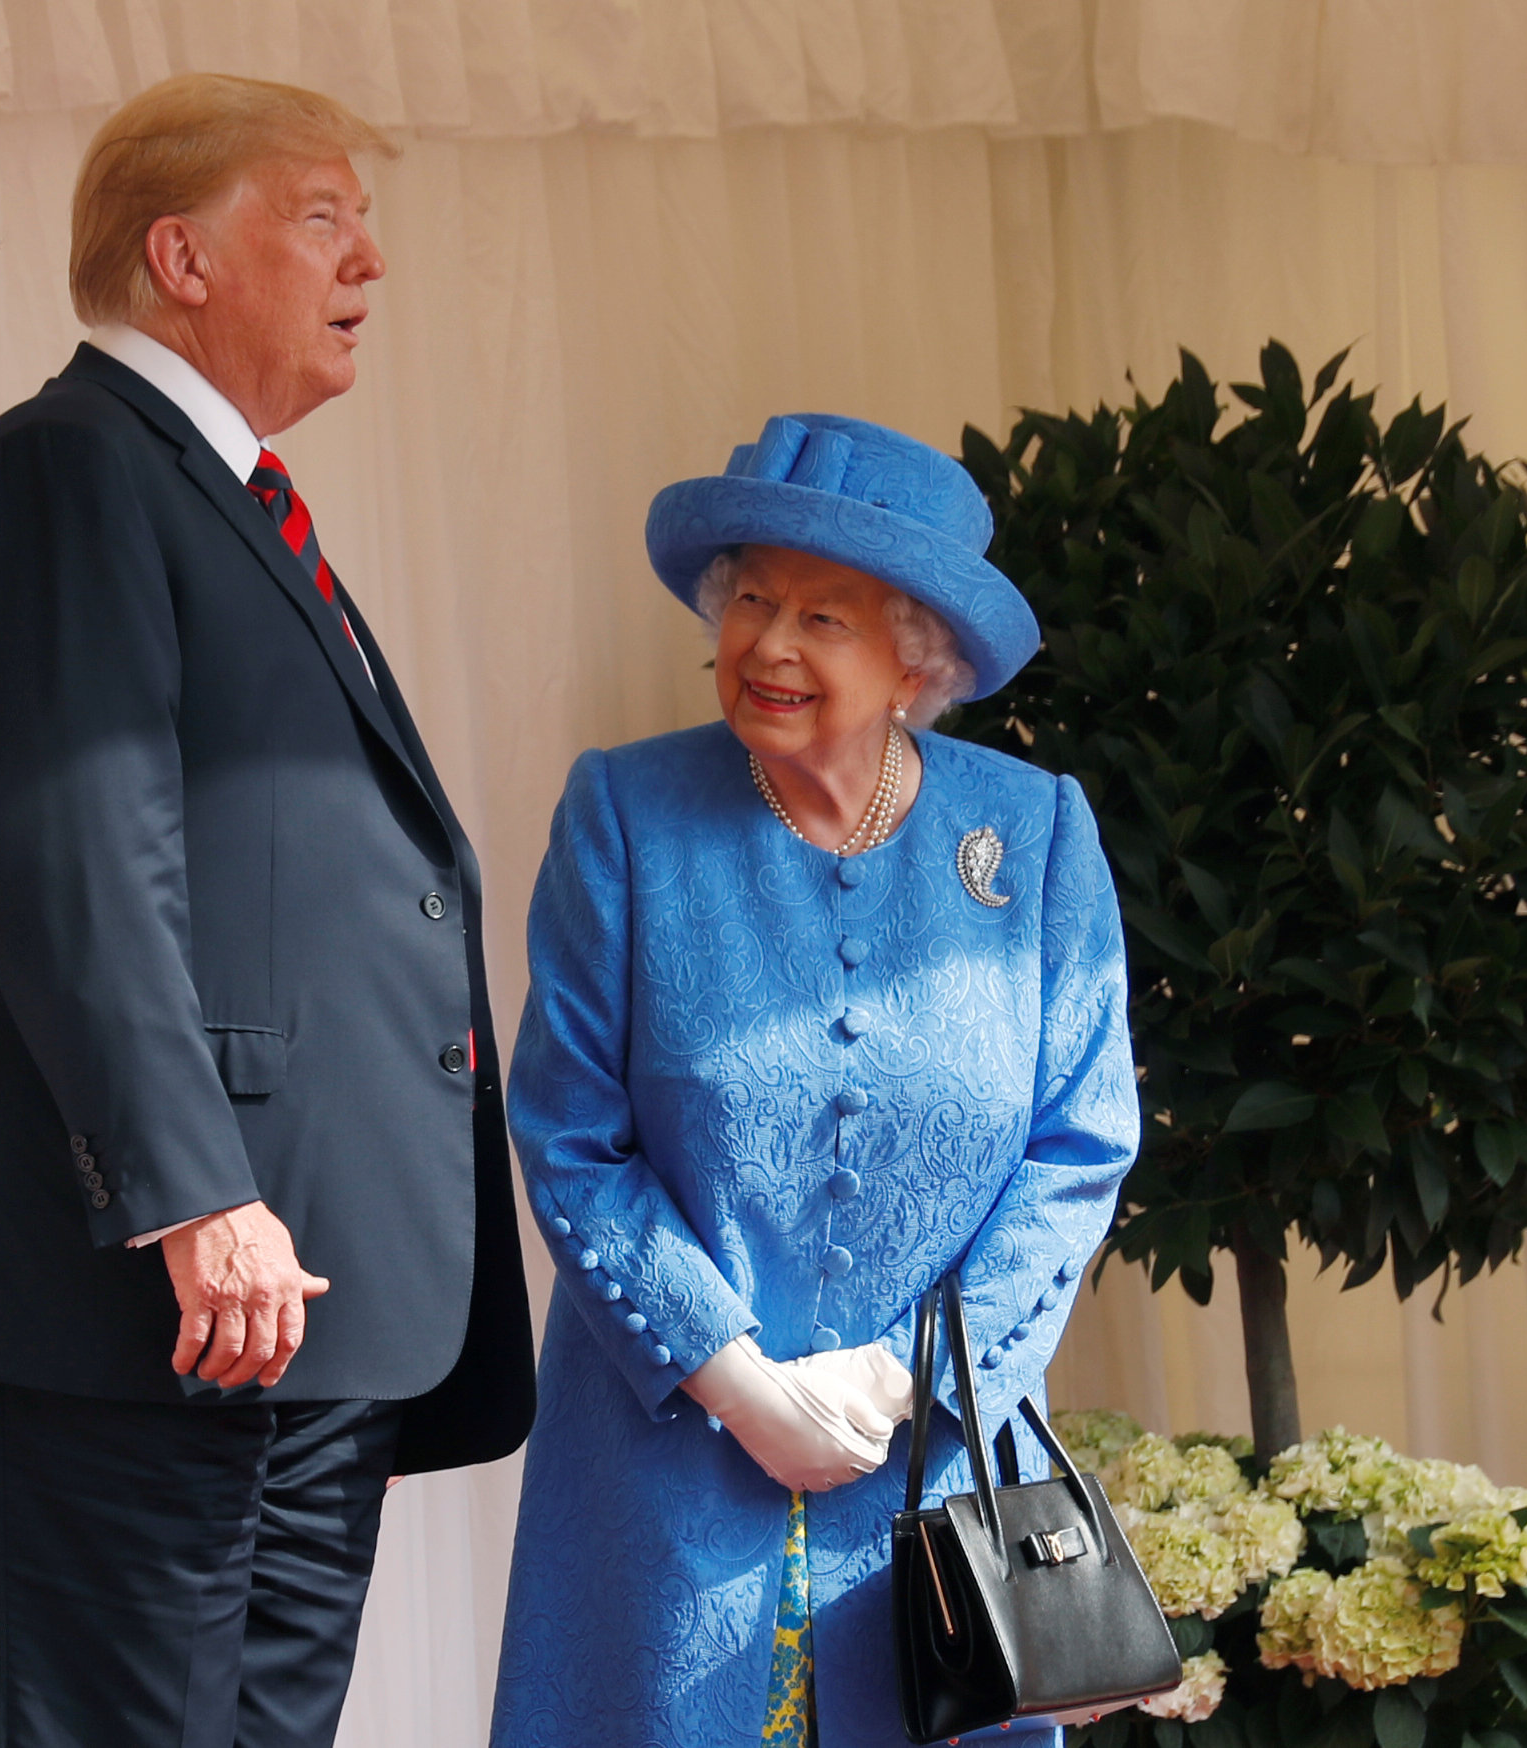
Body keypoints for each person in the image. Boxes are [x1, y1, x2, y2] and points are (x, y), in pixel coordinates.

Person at [0, 72, 536, 1748]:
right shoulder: (67, 469)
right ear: (182, 256)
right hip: (136, 1304)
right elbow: (77, 861)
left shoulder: (230, 501)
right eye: (321, 213)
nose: (368, 253)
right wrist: (192, 1196)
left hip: (307, 1320)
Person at [489, 414, 1141, 1748]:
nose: (767, 644)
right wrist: (736, 1381)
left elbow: (1078, 1148)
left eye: (822, 619)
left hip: (930, 1474)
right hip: (665, 1456)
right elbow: (568, 1133)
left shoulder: (1030, 833)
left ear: (916, 659)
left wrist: (897, 1387)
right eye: (749, 601)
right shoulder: (626, 815)